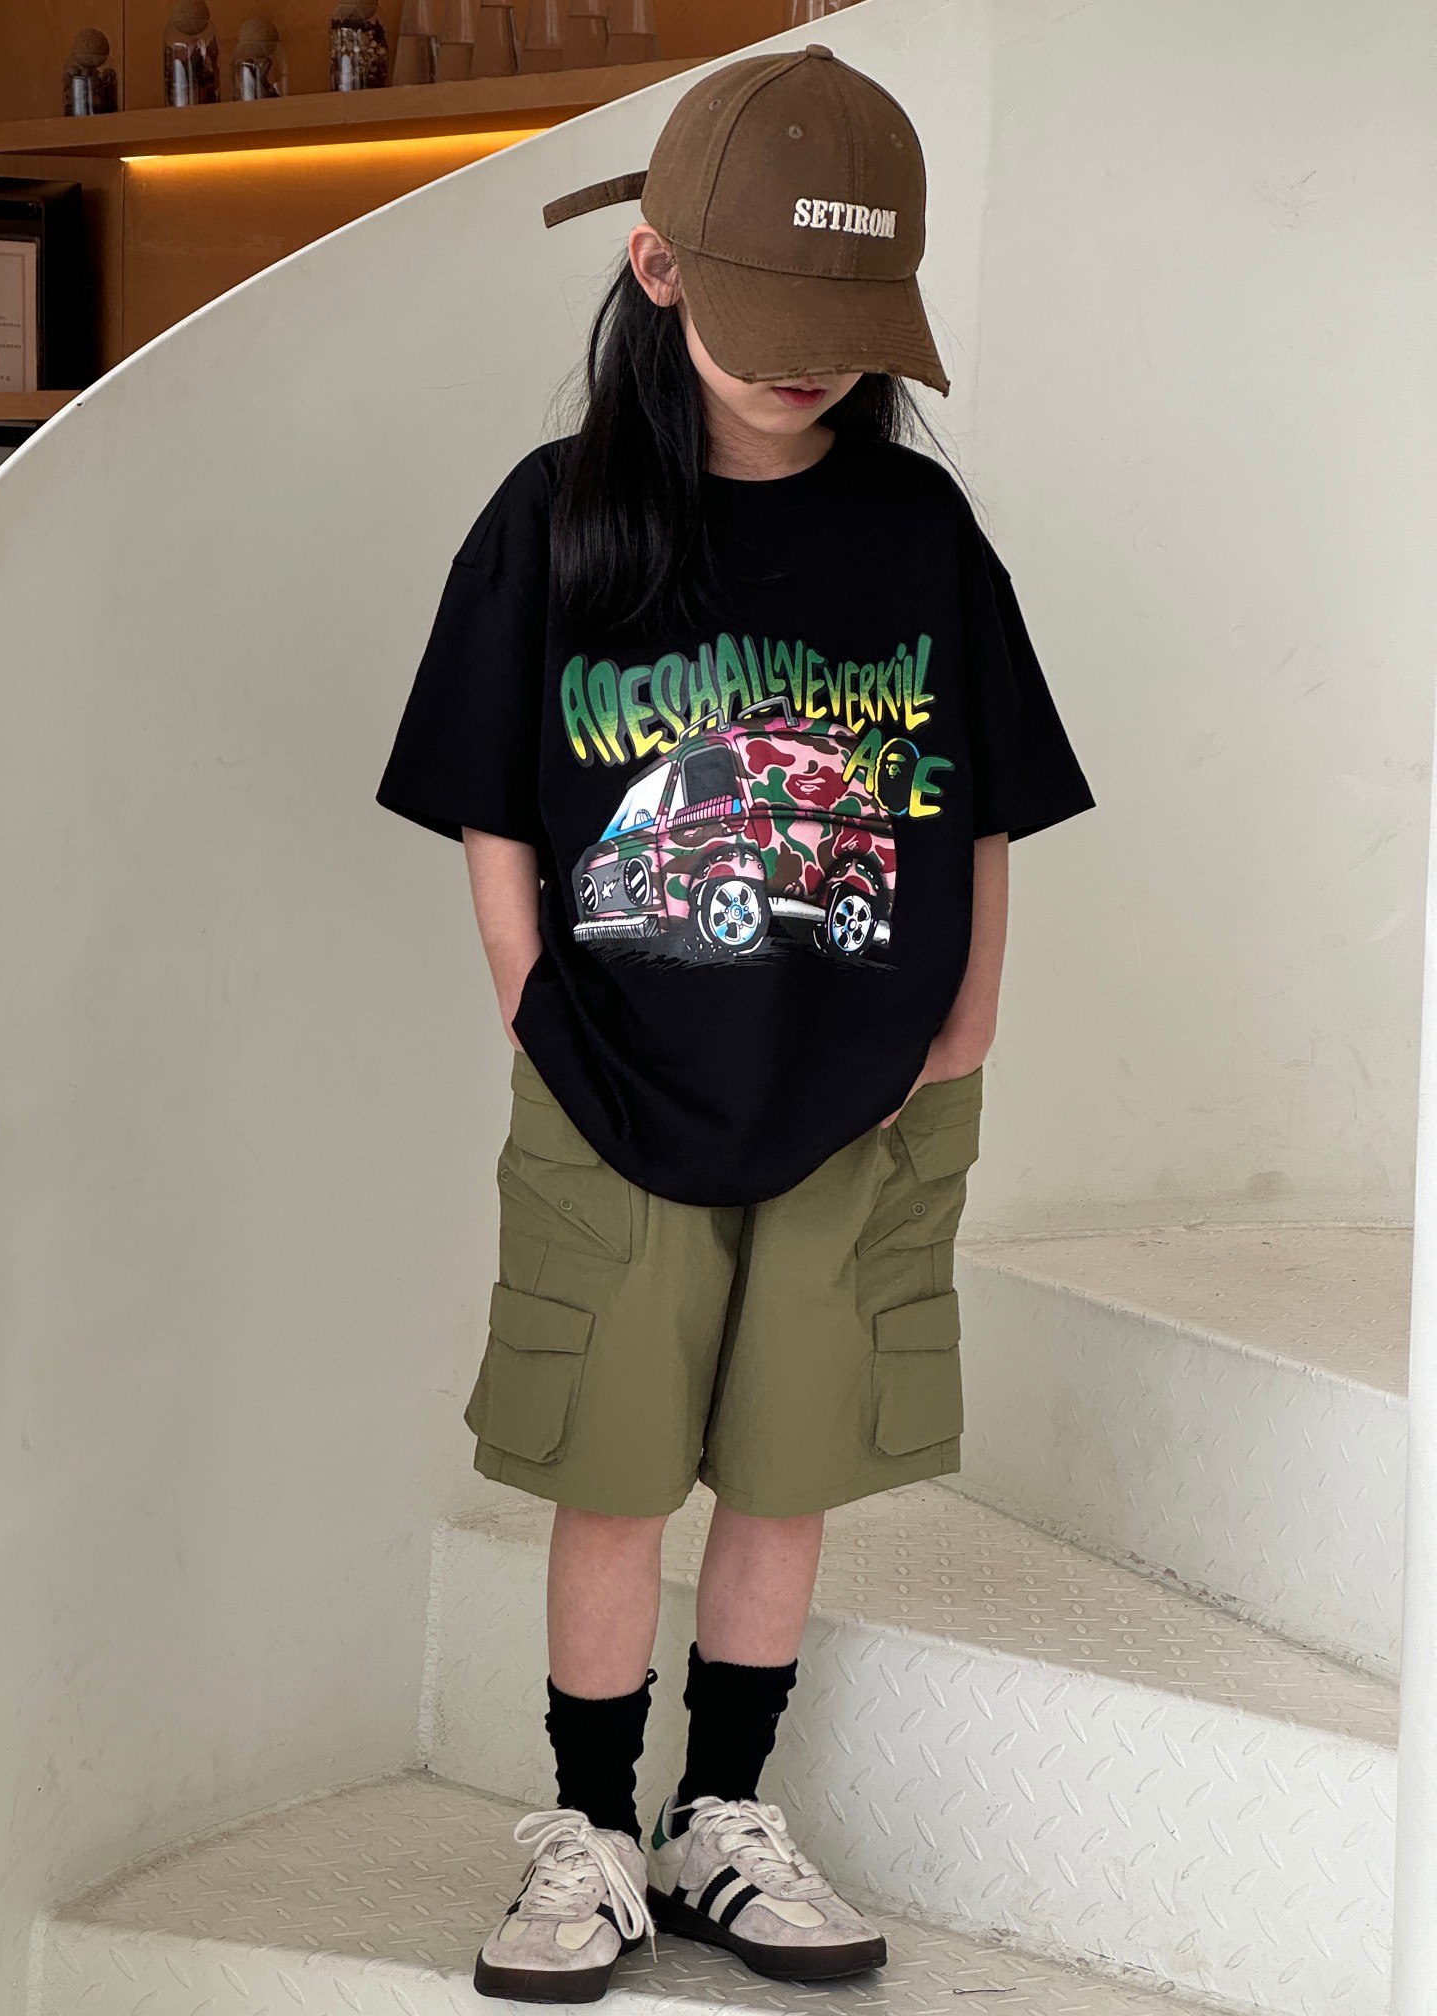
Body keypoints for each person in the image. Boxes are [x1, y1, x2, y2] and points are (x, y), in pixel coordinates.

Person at [375, 41, 1096, 2005]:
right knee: (614, 1471)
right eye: (774, 323)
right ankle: (589, 1833)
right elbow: (491, 800)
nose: (809, 371)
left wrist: (967, 1021)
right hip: (611, 1083)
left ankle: (721, 1823)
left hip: (868, 1092)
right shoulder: (557, 518)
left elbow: (982, 796)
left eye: (848, 333)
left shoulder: (917, 532)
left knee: (788, 1467)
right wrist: (531, 999)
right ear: (659, 267)